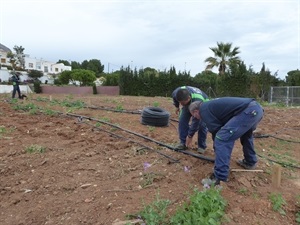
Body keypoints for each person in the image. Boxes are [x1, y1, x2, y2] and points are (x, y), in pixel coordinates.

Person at [189, 97, 264, 184]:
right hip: (256, 109)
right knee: (246, 135)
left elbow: (216, 132)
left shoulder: (203, 110)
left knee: (222, 138)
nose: (196, 118)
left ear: (196, 111)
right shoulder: (210, 106)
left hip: (248, 112)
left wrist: (218, 151)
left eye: (194, 116)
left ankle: (219, 177)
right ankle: (250, 161)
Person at [172, 86, 209, 153]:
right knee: (182, 120)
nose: (181, 104)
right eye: (180, 103)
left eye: (183, 103)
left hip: (203, 105)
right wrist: (177, 106)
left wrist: (190, 136)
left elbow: (196, 121)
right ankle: (182, 143)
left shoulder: (198, 100)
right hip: (190, 102)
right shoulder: (176, 92)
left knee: (202, 125)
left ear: (189, 98)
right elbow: (175, 99)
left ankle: (201, 146)